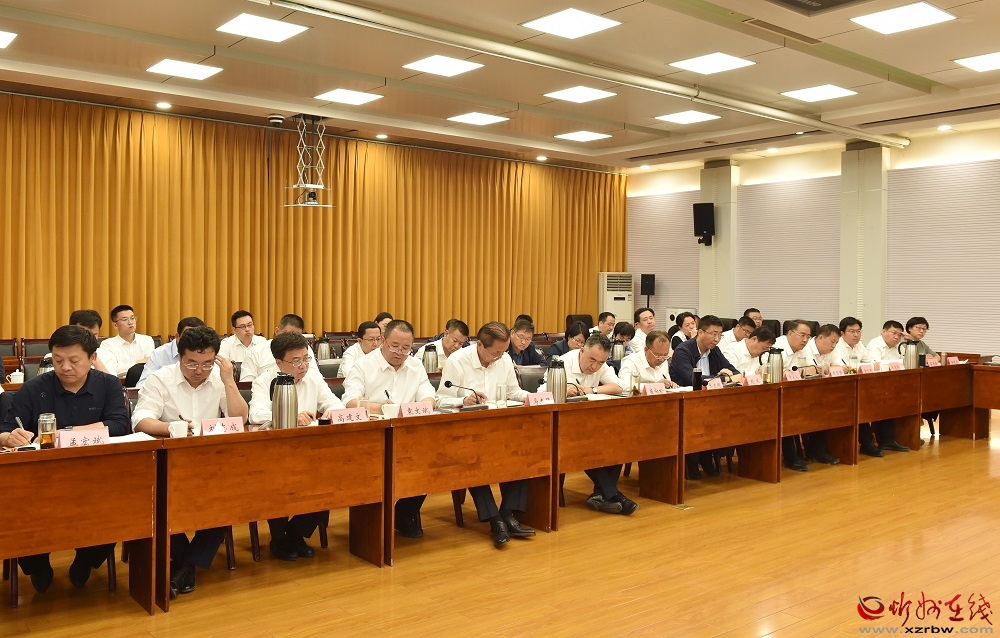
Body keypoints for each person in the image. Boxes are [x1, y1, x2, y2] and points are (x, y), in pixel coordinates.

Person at [1, 326, 129, 594]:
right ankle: (38, 565)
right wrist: (9, 437)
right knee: (19, 513)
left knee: (118, 510)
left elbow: (119, 425)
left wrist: (68, 434)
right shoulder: (34, 388)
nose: (65, 367)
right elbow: (5, 428)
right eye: (58, 360)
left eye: (74, 360)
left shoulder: (108, 385)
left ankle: (86, 560)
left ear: (92, 358)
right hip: (40, 480)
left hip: (95, 475)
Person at [131, 326, 248, 600]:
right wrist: (172, 427)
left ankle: (184, 568)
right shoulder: (160, 379)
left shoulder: (219, 379)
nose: (199, 370)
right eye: (192, 363)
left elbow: (240, 419)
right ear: (180, 357)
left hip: (211, 463)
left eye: (207, 363)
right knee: (157, 503)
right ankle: (189, 565)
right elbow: (140, 420)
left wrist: (229, 381)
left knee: (228, 500)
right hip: (168, 462)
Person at [436, 322, 535, 549]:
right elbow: (440, 399)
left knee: (525, 453)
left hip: (500, 428)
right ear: (480, 345)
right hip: (466, 432)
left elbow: (513, 392)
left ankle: (508, 513)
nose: (500, 357)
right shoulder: (457, 361)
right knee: (472, 461)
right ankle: (495, 520)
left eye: (503, 352)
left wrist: (532, 398)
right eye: (495, 353)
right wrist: (463, 400)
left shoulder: (504, 359)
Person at [248, 332, 344, 561]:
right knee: (274, 483)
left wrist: (331, 412)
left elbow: (335, 404)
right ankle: (280, 537)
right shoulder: (264, 381)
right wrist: (289, 415)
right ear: (279, 362)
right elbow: (256, 414)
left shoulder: (313, 378)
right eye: (296, 361)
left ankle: (292, 535)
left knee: (334, 478)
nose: (303, 366)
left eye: (306, 359)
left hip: (310, 452)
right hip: (275, 454)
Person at [342, 320, 434, 539]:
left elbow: (429, 395)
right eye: (394, 346)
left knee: (430, 463)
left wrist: (425, 404)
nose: (400, 352)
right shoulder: (363, 366)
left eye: (406, 348)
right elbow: (349, 401)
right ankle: (377, 520)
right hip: (372, 438)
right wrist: (379, 408)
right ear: (383, 341)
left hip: (408, 437)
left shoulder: (415, 366)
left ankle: (402, 514)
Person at [559, 334, 636, 514]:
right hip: (564, 427)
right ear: (582, 350)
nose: (595, 367)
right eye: (592, 360)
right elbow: (543, 391)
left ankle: (601, 495)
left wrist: (591, 389)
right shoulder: (561, 363)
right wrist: (564, 389)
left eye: (601, 362)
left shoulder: (600, 365)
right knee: (585, 447)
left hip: (589, 424)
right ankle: (614, 495)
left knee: (617, 444)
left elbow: (618, 387)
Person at [669, 315, 743, 480]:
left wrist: (723, 377)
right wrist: (722, 377)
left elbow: (736, 373)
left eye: (720, 335)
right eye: (713, 334)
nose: (717, 339)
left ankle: (706, 456)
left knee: (723, 418)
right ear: (700, 332)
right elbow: (693, 379)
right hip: (685, 402)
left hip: (710, 401)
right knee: (700, 419)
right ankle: (692, 461)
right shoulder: (683, 350)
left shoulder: (714, 350)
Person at [864, 321, 910, 454]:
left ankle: (889, 440)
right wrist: (897, 363)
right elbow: (876, 365)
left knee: (897, 403)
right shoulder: (875, 344)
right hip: (872, 386)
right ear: (883, 332)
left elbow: (907, 363)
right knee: (886, 404)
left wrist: (909, 342)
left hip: (891, 385)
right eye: (893, 333)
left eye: (899, 335)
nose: (896, 337)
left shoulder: (899, 347)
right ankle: (882, 440)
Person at [239, 314, 320, 382]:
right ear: (277, 331)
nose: (292, 340)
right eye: (287, 335)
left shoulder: (305, 349)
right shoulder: (255, 352)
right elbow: (246, 386)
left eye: (297, 336)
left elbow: (316, 377)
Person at [136, 317, 207, 387]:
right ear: (177, 337)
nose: (193, 342)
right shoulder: (159, 354)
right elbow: (142, 386)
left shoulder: (208, 354)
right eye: (188, 337)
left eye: (197, 338)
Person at [96, 304, 155, 377]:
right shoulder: (107, 345)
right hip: (119, 382)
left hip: (144, 381)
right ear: (115, 325)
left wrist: (124, 367)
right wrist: (138, 363)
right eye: (125, 319)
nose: (130, 322)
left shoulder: (147, 340)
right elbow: (113, 370)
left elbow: (152, 365)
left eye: (132, 318)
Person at [905, 317, 940, 438]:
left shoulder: (921, 343)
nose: (921, 331)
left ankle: (924, 414)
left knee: (936, 394)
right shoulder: (904, 342)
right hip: (909, 380)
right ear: (909, 328)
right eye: (919, 328)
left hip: (921, 378)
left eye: (924, 329)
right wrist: (924, 358)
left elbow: (937, 357)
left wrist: (931, 359)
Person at [69, 308, 114, 374]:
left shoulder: (105, 355)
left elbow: (112, 379)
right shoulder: (59, 354)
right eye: (85, 335)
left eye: (94, 335)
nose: (90, 339)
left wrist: (94, 359)